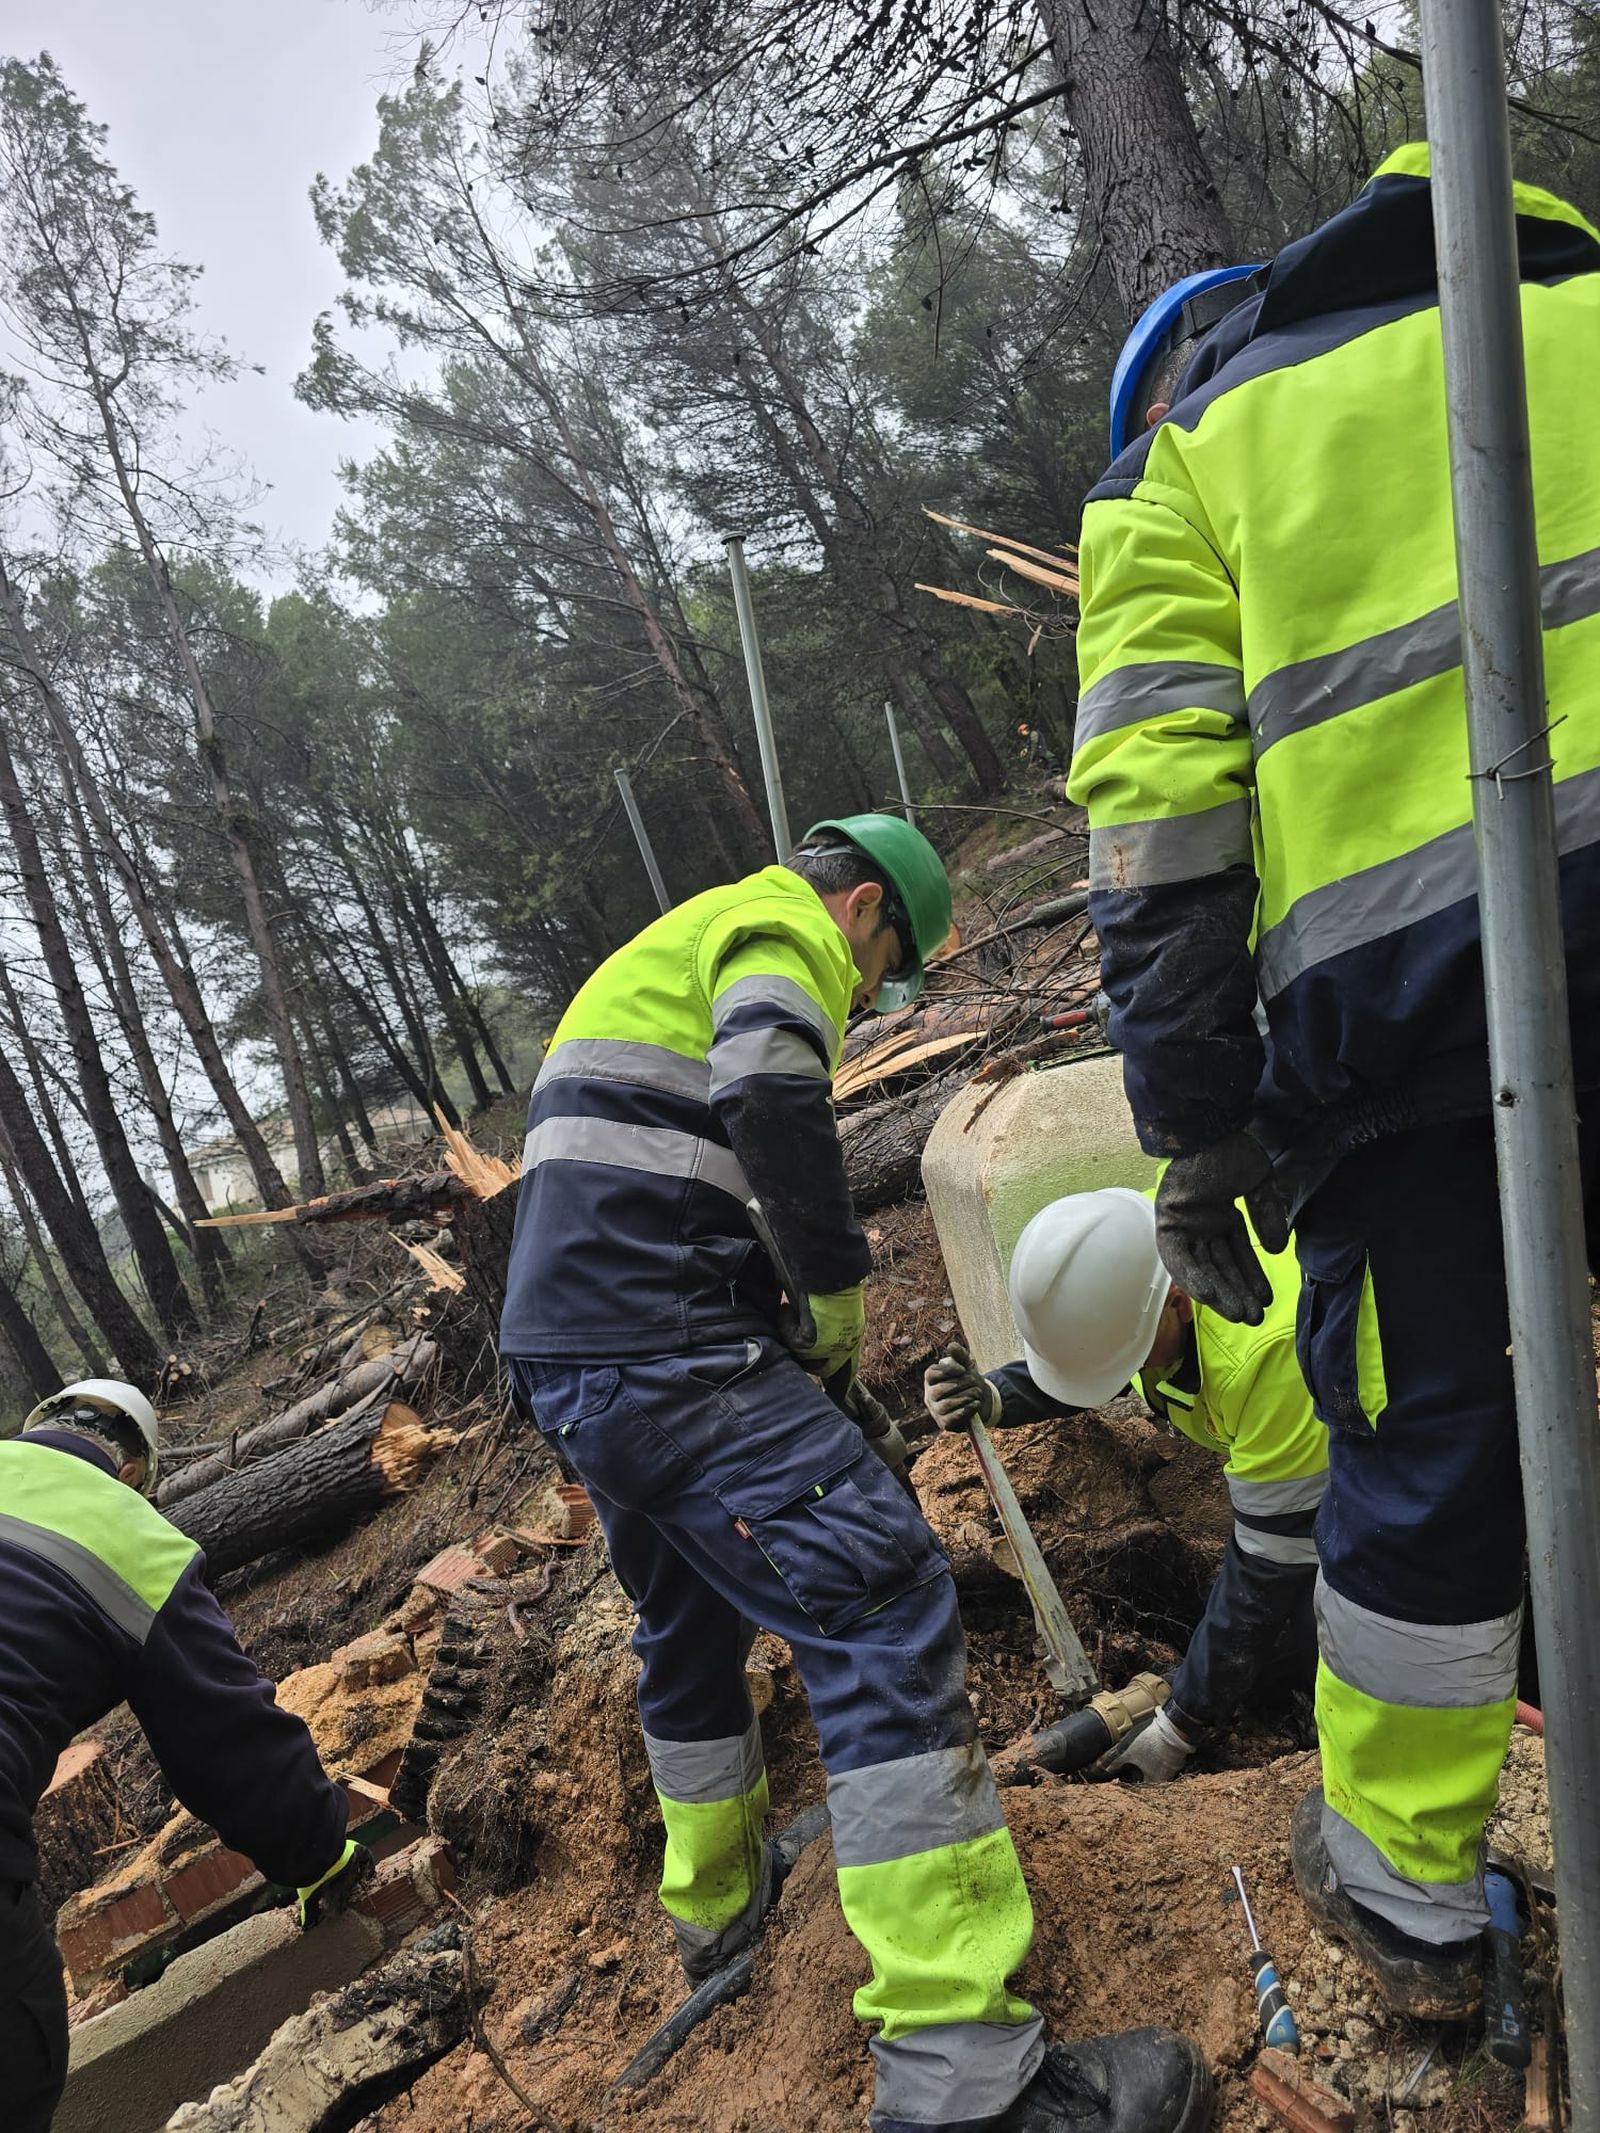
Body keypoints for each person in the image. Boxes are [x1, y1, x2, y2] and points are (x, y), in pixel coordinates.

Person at [1066, 143, 1600, 2019]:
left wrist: (1202, 1130)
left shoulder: (1196, 457)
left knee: (1433, 1445)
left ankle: (1410, 1898)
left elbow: (1161, 843)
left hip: (1404, 1034)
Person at [499, 817, 1211, 2133]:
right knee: (882, 1597)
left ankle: (716, 1912)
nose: (876, 1003)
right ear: (866, 908)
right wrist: (830, 1299)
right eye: (887, 976)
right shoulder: (771, 928)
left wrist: (781, 1334)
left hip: (578, 1352)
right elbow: (769, 1094)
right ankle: (965, 2088)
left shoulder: (660, 957)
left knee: (689, 1617)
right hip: (668, 1342)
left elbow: (677, 1165)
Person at [1, 1379, 367, 2133]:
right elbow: (229, 1740)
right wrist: (318, 1852)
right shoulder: (124, 1526)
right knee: (21, 2051)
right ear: (136, 1469)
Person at [925, 1188, 1325, 1778]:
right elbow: (1104, 1356)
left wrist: (1181, 1723)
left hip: (1394, 1436)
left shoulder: (1264, 1356)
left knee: (1325, 1614)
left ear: (1182, 1304)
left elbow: (1271, 1566)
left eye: (1135, 1360)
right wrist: (998, 1395)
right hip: (1292, 1433)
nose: (1129, 1374)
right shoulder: (1131, 1242)